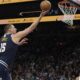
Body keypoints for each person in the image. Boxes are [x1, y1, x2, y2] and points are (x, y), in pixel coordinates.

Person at [0, 10, 49, 80]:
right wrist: (41, 16)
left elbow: (6, 48)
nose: (16, 29)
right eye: (14, 27)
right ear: (10, 30)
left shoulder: (2, 38)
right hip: (2, 66)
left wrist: (17, 44)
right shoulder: (14, 36)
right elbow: (30, 28)